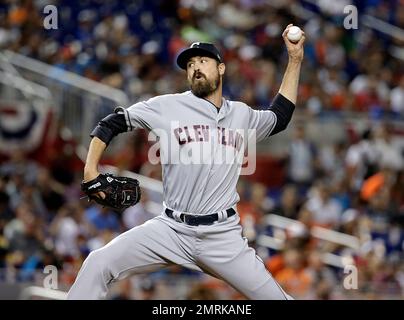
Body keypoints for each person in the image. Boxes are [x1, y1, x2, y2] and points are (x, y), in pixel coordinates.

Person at [67, 24, 305, 300]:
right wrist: (90, 169)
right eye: (190, 64)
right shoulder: (166, 106)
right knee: (98, 263)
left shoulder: (242, 115)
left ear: (222, 68)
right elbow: (112, 123)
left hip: (222, 236)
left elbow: (281, 115)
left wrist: (295, 59)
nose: (196, 68)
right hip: (171, 229)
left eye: (203, 61)